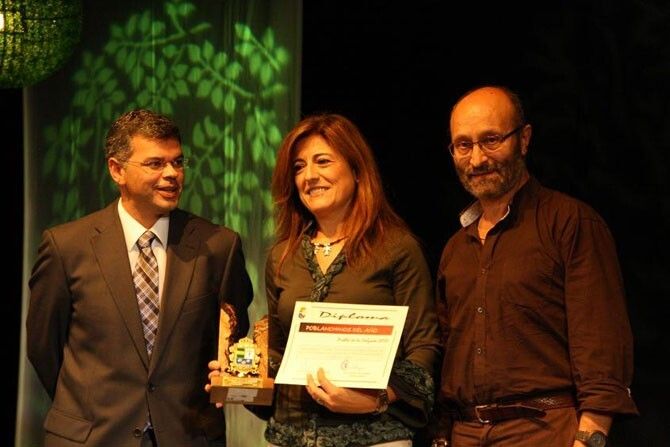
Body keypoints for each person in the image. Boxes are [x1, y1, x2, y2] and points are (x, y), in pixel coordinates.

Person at [27, 109, 253, 446]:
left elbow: (233, 336)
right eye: (155, 164)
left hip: (187, 435)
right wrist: (86, 407)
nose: (172, 174)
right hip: (92, 437)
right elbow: (44, 347)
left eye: (178, 162)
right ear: (116, 169)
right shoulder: (67, 246)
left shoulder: (218, 246)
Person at [431, 86, 638, 447]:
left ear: (523, 139)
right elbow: (448, 354)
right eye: (463, 145)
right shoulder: (455, 249)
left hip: (543, 430)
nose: (476, 159)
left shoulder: (569, 223)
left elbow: (601, 343)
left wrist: (590, 437)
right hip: (465, 432)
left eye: (491, 140)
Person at [247, 113, 440, 446]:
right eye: (299, 167)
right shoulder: (282, 255)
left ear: (356, 169)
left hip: (375, 437)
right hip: (292, 436)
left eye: (323, 161)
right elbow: (277, 353)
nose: (309, 176)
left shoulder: (396, 248)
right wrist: (240, 379)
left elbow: (424, 346)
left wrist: (378, 398)